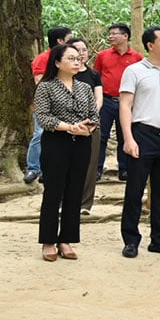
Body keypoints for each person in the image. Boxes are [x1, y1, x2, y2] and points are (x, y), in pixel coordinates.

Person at [119, 27, 160, 258]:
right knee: (135, 189)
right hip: (142, 134)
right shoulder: (134, 71)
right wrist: (128, 138)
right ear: (150, 45)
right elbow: (125, 105)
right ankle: (130, 240)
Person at [34, 43, 98, 262]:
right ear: (57, 62)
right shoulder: (46, 86)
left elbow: (94, 116)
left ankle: (67, 239)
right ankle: (49, 241)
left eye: (78, 58)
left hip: (81, 143)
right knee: (53, 191)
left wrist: (86, 127)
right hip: (56, 142)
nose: (77, 61)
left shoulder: (84, 88)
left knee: (75, 190)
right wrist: (68, 127)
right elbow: (43, 117)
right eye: (71, 58)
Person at [93, 22, 142, 181]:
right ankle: (97, 169)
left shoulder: (136, 57)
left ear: (125, 36)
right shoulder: (103, 55)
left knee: (125, 134)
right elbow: (96, 78)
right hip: (106, 101)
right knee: (101, 135)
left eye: (115, 33)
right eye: (110, 33)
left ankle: (125, 169)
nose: (111, 36)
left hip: (127, 103)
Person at [25, 25, 72, 183]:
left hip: (66, 106)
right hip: (45, 104)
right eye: (69, 39)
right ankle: (33, 168)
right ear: (60, 41)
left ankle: (51, 169)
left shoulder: (69, 59)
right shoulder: (42, 59)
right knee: (39, 135)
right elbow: (39, 81)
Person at [69, 38, 104, 215]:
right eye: (77, 50)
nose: (81, 54)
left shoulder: (93, 75)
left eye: (84, 50)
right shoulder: (65, 75)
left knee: (90, 163)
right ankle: (66, 200)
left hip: (90, 123)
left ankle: (85, 204)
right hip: (67, 125)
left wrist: (89, 117)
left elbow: (98, 99)